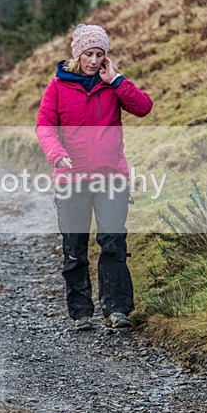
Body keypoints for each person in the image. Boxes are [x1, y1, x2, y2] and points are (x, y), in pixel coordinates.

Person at [36, 24, 153, 330]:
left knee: (113, 241)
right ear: (77, 55)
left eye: (100, 54)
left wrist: (117, 80)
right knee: (74, 247)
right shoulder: (58, 87)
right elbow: (44, 126)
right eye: (89, 53)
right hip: (71, 178)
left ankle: (116, 309)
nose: (93, 60)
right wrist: (56, 153)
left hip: (111, 176)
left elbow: (143, 108)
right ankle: (80, 312)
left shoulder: (113, 85)